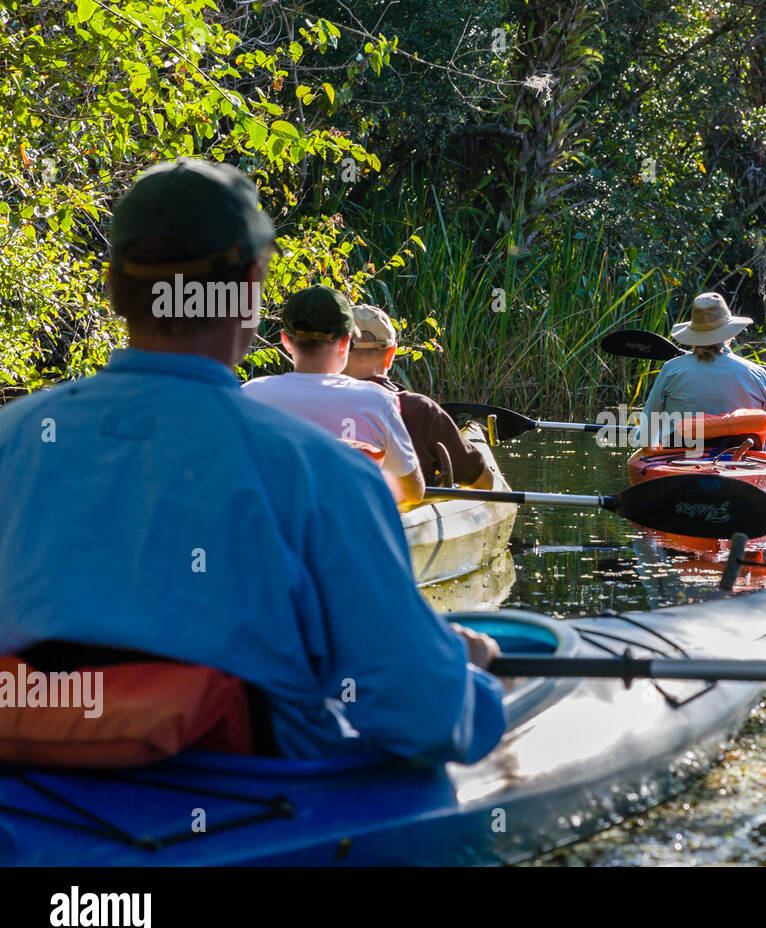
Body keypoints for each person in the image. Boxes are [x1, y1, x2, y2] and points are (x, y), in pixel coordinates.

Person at [0, 158, 505, 763]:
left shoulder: (12, 438)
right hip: (254, 801)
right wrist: (467, 673)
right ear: (252, 291)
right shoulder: (328, 474)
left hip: (31, 783)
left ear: (112, 288)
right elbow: (423, 718)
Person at [241, 286, 426, 508]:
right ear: (346, 342)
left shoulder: (250, 395)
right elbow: (414, 492)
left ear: (286, 340)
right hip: (346, 532)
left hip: (270, 533)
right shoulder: (378, 400)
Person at [341, 304, 490, 488]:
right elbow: (485, 484)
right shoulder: (421, 409)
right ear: (391, 354)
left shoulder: (311, 405)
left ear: (338, 351)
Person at [638, 292, 766, 451]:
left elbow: (646, 436)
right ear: (730, 334)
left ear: (693, 335)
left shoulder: (670, 369)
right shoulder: (757, 374)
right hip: (742, 461)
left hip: (679, 460)